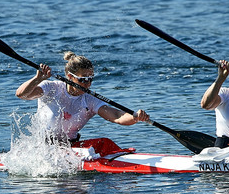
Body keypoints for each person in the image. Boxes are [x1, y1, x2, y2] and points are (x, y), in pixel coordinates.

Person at [16, 51, 150, 144]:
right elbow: (22, 94)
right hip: (42, 146)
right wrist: (37, 79)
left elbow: (116, 116)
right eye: (83, 79)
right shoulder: (51, 88)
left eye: (91, 79)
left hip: (70, 147)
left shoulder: (90, 99)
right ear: (69, 77)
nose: (88, 84)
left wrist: (135, 117)